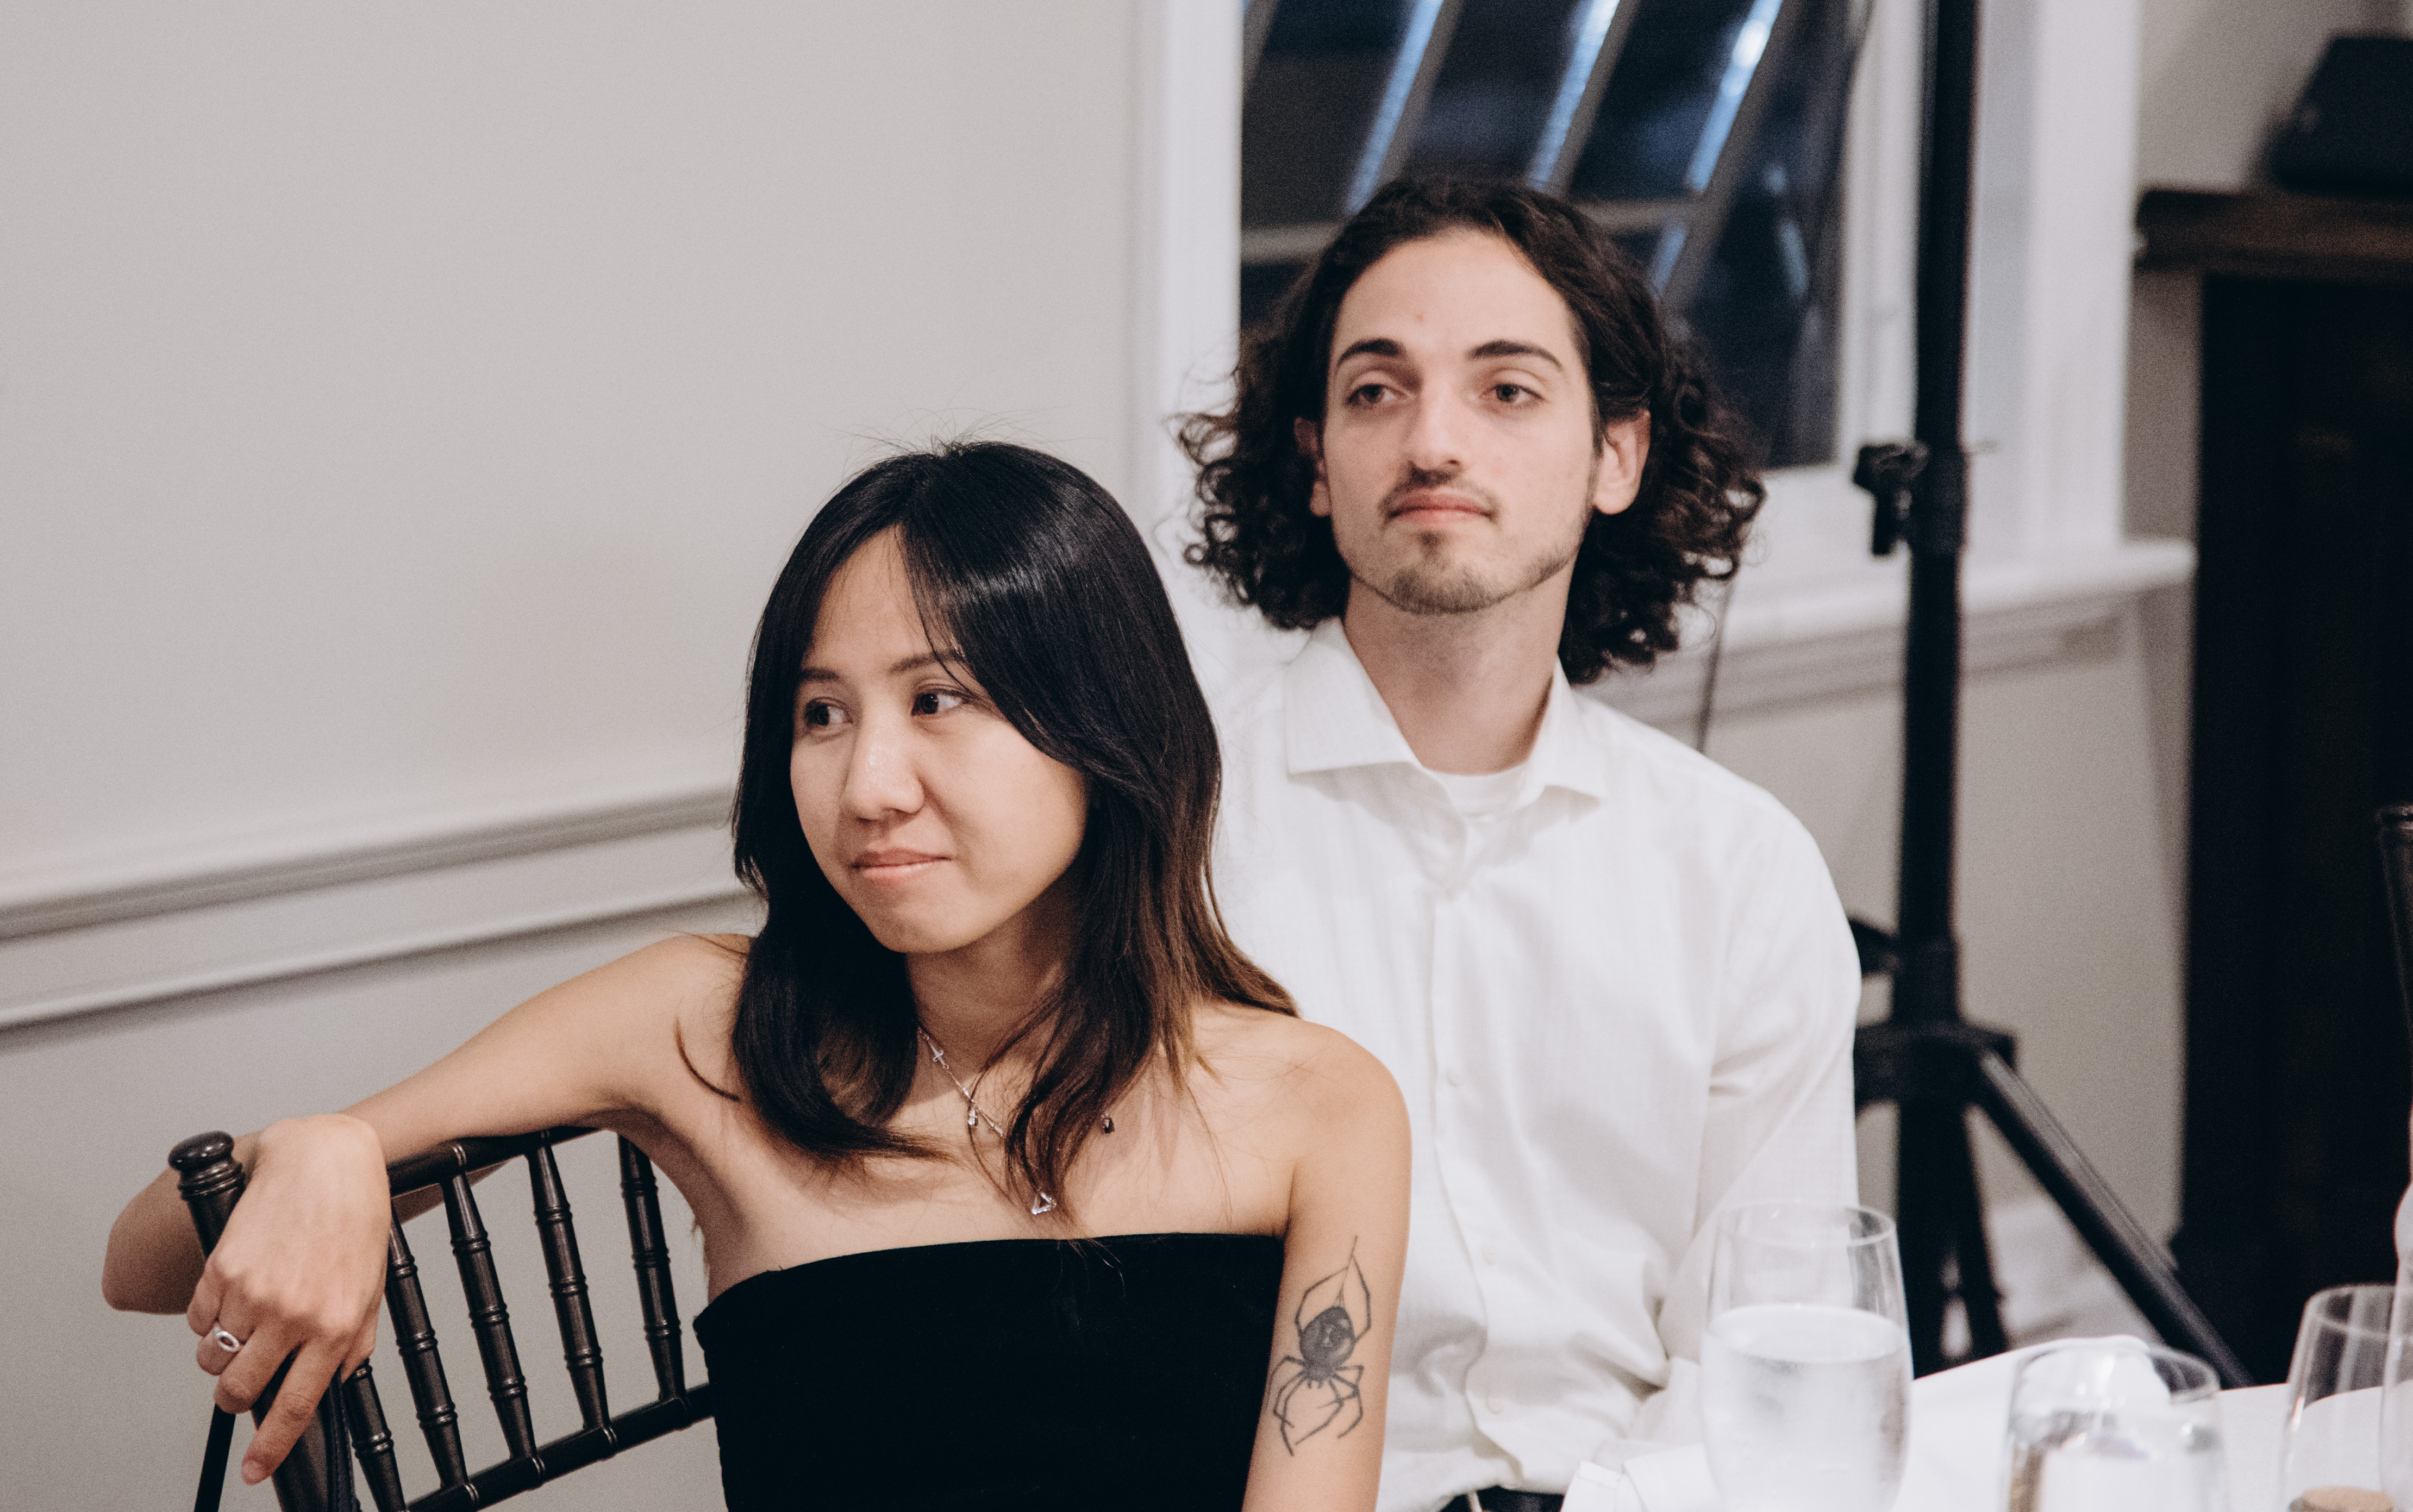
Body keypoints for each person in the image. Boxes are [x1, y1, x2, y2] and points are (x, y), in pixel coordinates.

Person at [104, 441, 1410, 1512]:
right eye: (820, 714)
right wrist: (327, 1148)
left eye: (938, 700)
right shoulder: (704, 1026)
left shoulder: (1320, 1107)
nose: (867, 786)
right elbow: (144, 1258)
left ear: (1106, 725)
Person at [1177, 178, 1862, 1512]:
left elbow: (1765, 1352)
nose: (1433, 441)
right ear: (1314, 461)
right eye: (1376, 392)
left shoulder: (1739, 873)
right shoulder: (1172, 832)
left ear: (1617, 456)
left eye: (1506, 391)